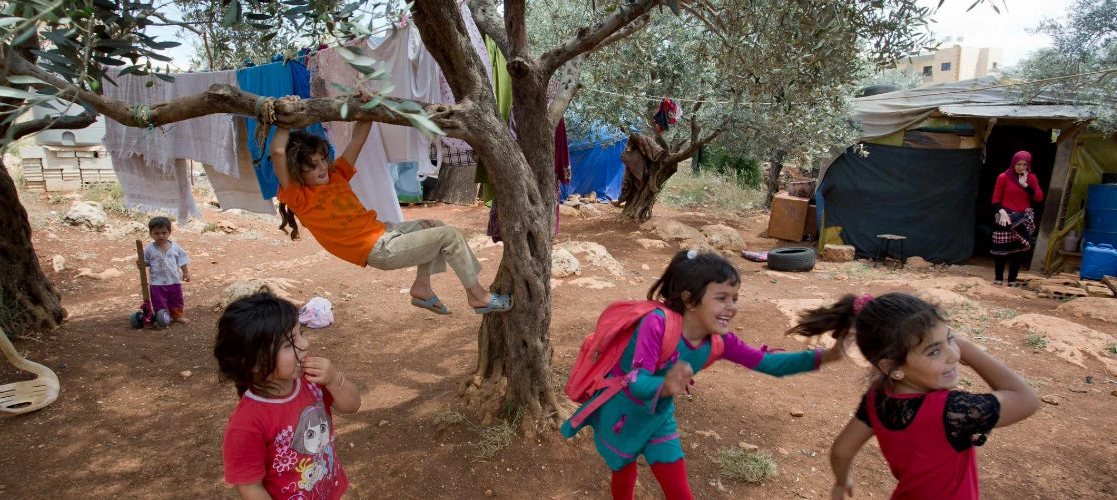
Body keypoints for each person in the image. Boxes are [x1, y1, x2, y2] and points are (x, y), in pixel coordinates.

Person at [561, 250, 845, 499]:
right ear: (690, 300)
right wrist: (666, 384)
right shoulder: (656, 324)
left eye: (734, 298)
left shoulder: (718, 343)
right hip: (622, 412)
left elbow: (769, 364)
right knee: (623, 471)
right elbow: (635, 381)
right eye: (721, 298)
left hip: (658, 418)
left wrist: (826, 356)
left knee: (680, 491)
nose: (731, 307)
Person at [787, 293, 1040, 499]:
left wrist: (842, 482)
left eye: (950, 339)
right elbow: (1027, 399)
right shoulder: (951, 412)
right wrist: (968, 348)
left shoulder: (877, 399)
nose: (953, 354)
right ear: (892, 368)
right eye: (933, 351)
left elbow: (841, 451)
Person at [271, 123, 511, 315]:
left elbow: (358, 139)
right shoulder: (299, 196)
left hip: (385, 234)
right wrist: (283, 122)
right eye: (312, 166)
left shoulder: (336, 176)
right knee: (449, 236)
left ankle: (422, 287)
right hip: (377, 248)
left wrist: (365, 108)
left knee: (435, 226)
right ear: (296, 172)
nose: (322, 167)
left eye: (323, 159)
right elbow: (278, 151)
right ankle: (477, 296)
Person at [215, 293, 363, 499]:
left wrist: (333, 378)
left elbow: (352, 405)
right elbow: (250, 488)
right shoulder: (247, 424)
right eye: (288, 343)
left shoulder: (311, 379)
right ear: (254, 363)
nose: (304, 344)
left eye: (300, 333)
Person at [990, 150, 1044, 286]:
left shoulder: (1031, 179)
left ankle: (1012, 280)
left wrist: (1025, 185)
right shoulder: (1003, 177)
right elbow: (995, 199)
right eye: (1019, 164)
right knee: (1000, 249)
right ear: (1013, 163)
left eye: (1025, 165)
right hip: (1005, 216)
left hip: (1023, 218)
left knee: (1018, 249)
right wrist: (1002, 212)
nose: (1021, 167)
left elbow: (1038, 197)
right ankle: (998, 278)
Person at [143, 216, 191, 324]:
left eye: (164, 233)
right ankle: (163, 317)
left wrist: (186, 272)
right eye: (157, 233)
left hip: (173, 280)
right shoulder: (149, 249)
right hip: (157, 282)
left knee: (176, 299)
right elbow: (146, 262)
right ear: (151, 234)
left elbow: (182, 260)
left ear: (169, 232)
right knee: (159, 301)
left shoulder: (175, 247)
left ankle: (177, 316)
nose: (160, 236)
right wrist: (142, 264)